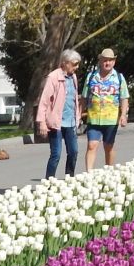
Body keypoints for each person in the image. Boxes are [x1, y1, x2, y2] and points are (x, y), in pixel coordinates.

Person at [36, 49, 82, 180]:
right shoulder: (53, 77)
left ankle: (69, 178)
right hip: (56, 123)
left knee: (73, 152)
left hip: (71, 121)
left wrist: (77, 117)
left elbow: (74, 99)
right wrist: (42, 122)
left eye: (77, 64)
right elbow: (44, 101)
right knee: (56, 154)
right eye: (74, 64)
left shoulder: (73, 77)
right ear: (65, 63)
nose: (76, 67)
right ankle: (49, 182)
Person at [82, 48, 129, 171]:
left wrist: (123, 115)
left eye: (110, 60)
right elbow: (84, 97)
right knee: (92, 145)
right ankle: (89, 174)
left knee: (108, 146)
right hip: (94, 118)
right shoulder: (91, 76)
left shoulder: (119, 77)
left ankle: (109, 171)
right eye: (105, 60)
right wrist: (80, 114)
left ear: (114, 62)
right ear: (100, 61)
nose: (107, 63)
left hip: (111, 119)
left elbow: (124, 97)